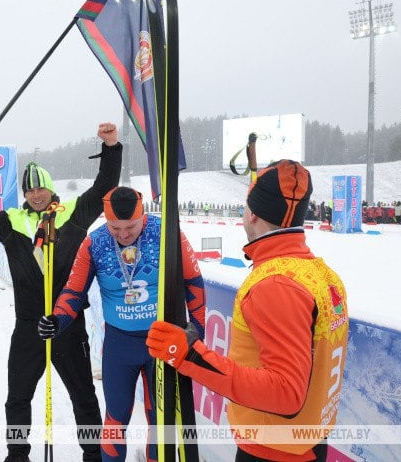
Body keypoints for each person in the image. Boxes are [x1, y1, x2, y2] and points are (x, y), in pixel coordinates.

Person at [146, 160, 349, 462]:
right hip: (303, 442)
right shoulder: (320, 273)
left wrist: (189, 355)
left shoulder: (276, 284)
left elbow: (285, 393)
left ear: (252, 213)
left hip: (275, 451)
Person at [0, 122, 122, 462]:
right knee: (17, 397)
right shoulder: (12, 221)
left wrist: (112, 147)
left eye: (39, 188)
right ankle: (17, 454)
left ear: (49, 187)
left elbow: (105, 187)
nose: (35, 195)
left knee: (84, 395)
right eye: (29, 191)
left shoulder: (73, 213)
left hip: (67, 324)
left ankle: (92, 453)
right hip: (28, 325)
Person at [38, 186, 207, 462]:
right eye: (115, 227)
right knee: (115, 420)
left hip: (161, 343)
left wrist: (197, 330)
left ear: (143, 217)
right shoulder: (95, 243)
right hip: (119, 345)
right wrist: (57, 320)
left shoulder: (166, 232)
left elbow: (193, 282)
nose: (124, 234)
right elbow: (74, 290)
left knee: (160, 423)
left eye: (131, 227)